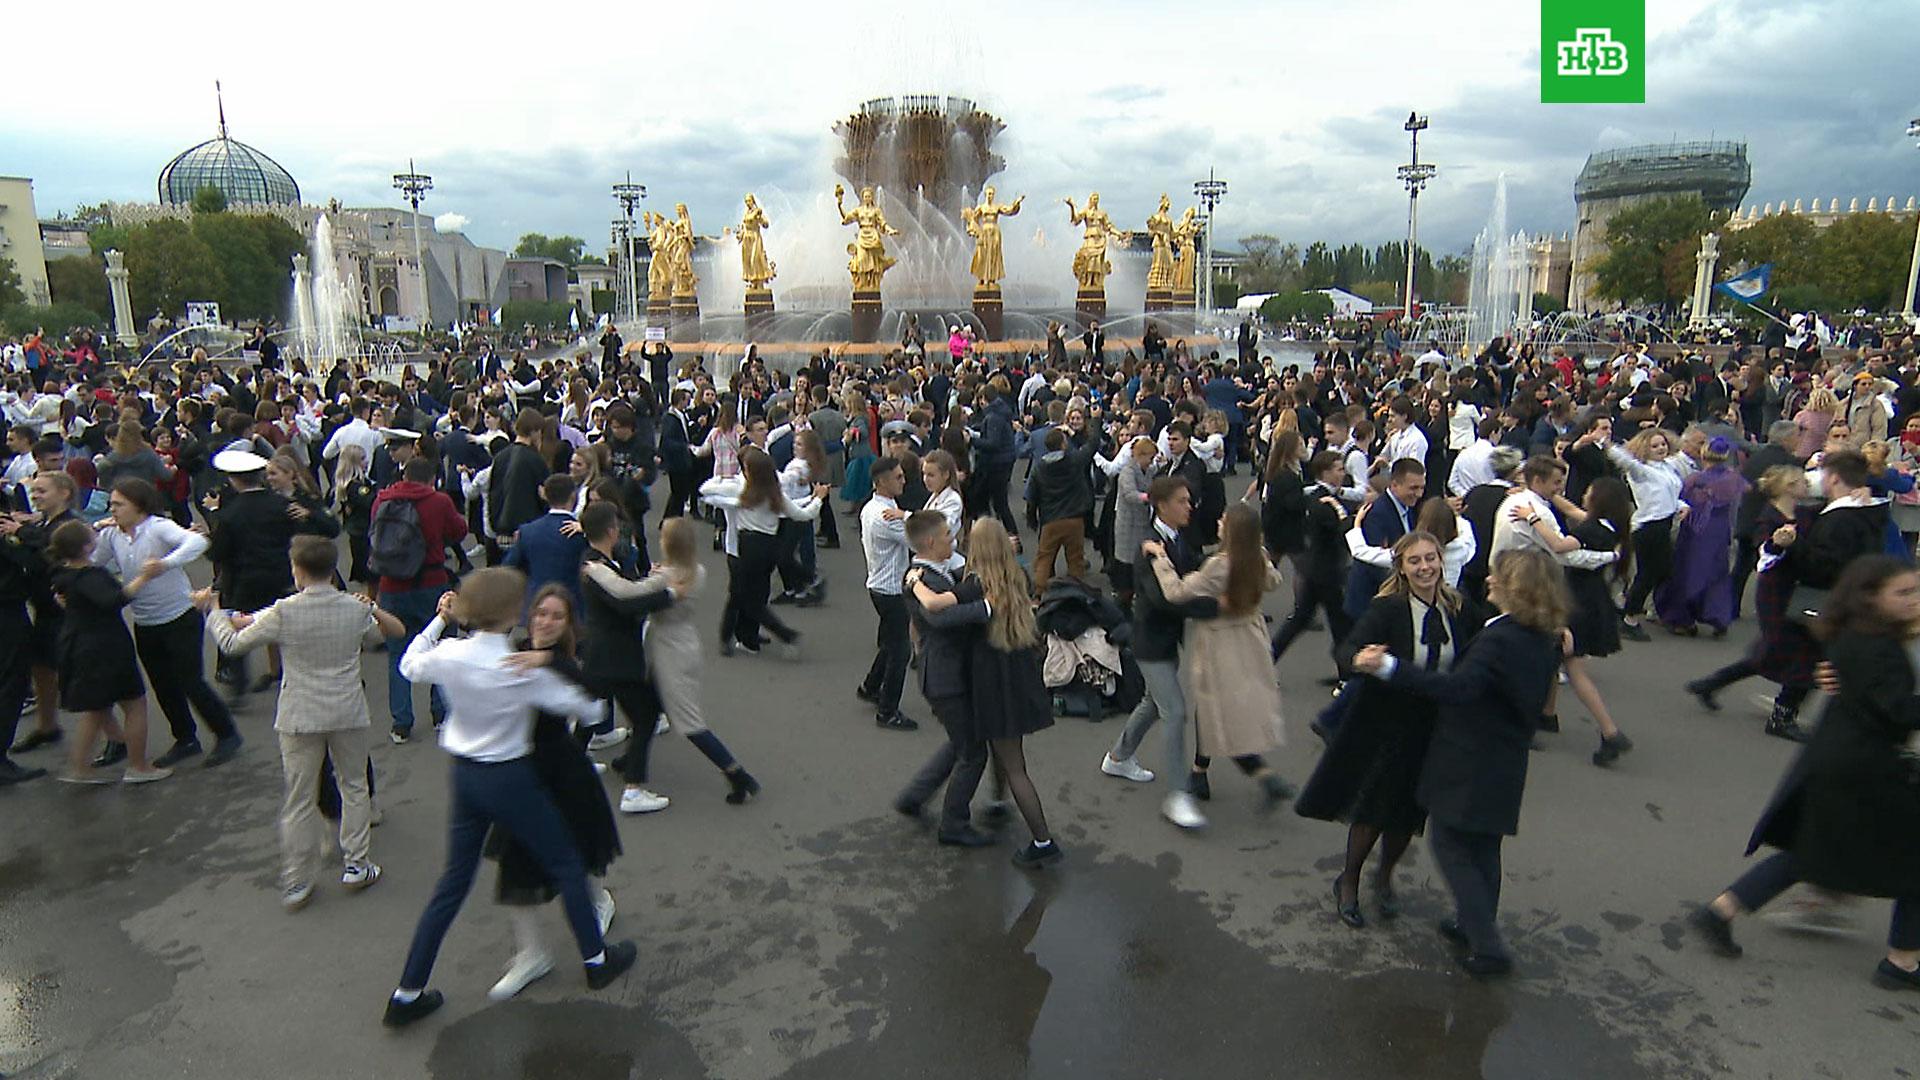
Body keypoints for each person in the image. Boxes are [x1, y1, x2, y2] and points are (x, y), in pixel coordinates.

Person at [383, 568, 637, 1028]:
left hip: (464, 776)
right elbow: (591, 709)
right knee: (564, 863)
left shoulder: (453, 654)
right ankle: (596, 960)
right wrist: (551, 668)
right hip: (511, 776)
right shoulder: (517, 668)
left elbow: (410, 664)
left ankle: (407, 990)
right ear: (511, 613)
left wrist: (439, 622)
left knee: (453, 882)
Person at [1689, 555, 1920, 994]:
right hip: (1868, 768)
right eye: (1903, 592)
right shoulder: (1877, 646)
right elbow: (1899, 709)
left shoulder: (1859, 635)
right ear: (1872, 597)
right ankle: (1902, 961)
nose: (1913, 600)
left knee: (1809, 850)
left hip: (1842, 760)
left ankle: (1721, 910)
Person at [1347, 548, 1571, 976]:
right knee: (1485, 848)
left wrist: (1390, 667)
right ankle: (1472, 922)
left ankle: (1487, 946)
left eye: (1497, 577)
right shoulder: (1542, 635)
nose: (1489, 582)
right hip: (1506, 759)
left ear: (1515, 589)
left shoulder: (1500, 638)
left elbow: (1457, 688)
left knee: (1450, 846)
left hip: (1470, 759)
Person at [1297, 531, 1490, 928]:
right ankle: (1348, 880)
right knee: (1373, 808)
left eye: (1430, 559)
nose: (1425, 568)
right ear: (1401, 567)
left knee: (1408, 813)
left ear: (1441, 560)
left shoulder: (1459, 607)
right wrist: (1360, 658)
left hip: (1436, 726)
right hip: (1387, 724)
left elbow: (1487, 641)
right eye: (1415, 561)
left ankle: (1384, 878)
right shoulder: (1387, 609)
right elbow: (1345, 650)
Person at [199, 536, 404, 909]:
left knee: (299, 798)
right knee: (354, 785)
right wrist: (371, 607)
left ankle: (297, 881)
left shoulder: (284, 611)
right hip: (347, 709)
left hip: (299, 713)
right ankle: (357, 864)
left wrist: (213, 612)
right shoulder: (352, 608)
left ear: (297, 569)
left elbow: (232, 644)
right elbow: (382, 633)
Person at [1688, 450, 1890, 742]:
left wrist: (1795, 546)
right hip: (1800, 595)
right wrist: (1788, 545)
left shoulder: (1830, 514)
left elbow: (1822, 557)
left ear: (1833, 478)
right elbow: (1807, 560)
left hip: (1808, 594)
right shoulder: (1829, 513)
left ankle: (1714, 685)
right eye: (1802, 482)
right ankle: (1781, 715)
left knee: (1781, 652)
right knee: (1802, 657)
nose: (1812, 483)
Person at [483, 585, 621, 1001]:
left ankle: (600, 904)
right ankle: (532, 953)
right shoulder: (514, 650)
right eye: (541, 613)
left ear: (567, 624)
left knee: (584, 849)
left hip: (563, 771)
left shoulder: (567, 660)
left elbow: (595, 689)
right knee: (514, 862)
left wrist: (550, 659)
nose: (545, 621)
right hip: (521, 775)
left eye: (556, 616)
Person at [909, 517, 1064, 868]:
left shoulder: (975, 586)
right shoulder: (1017, 576)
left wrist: (915, 582)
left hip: (993, 682)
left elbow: (935, 607)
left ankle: (1043, 841)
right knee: (1002, 747)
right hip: (1019, 673)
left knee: (1014, 766)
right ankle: (997, 801)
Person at [584, 517, 761, 805]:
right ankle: (630, 759)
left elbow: (625, 592)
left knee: (688, 721)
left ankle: (737, 774)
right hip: (681, 644)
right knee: (650, 708)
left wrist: (597, 572)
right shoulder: (695, 571)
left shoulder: (667, 577)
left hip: (668, 651)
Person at [1140, 503, 1294, 809]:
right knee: (1223, 706)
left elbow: (1176, 592)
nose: (1219, 521)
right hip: (1250, 637)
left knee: (1215, 709)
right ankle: (1202, 771)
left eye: (1225, 519)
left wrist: (1160, 560)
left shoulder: (1220, 565)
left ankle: (1258, 773)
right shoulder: (1257, 559)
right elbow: (1274, 582)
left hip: (1219, 641)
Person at [95, 478, 245, 769]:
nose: (112, 509)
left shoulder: (157, 527)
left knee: (191, 680)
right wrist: (91, 532)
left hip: (179, 616)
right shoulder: (112, 535)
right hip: (145, 621)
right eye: (112, 503)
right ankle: (185, 738)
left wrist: (165, 564)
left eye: (118, 504)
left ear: (138, 505)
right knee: (162, 684)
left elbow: (197, 542)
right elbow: (92, 560)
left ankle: (227, 734)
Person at [1100, 476, 1220, 829]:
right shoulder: (1149, 547)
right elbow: (1165, 599)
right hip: (1150, 643)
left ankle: (1119, 756)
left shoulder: (1178, 537)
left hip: (1164, 642)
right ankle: (1178, 795)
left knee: (1153, 703)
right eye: (1182, 501)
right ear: (1162, 504)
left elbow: (1194, 567)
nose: (1189, 506)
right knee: (1176, 711)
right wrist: (1216, 607)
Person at [895, 510, 995, 845]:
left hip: (946, 676)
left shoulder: (935, 571)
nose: (953, 539)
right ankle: (954, 824)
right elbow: (942, 619)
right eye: (948, 535)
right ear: (930, 541)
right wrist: (988, 608)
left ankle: (914, 797)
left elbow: (964, 582)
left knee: (959, 742)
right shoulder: (920, 578)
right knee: (973, 752)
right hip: (944, 679)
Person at [45, 519, 171, 784]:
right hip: (105, 646)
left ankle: (80, 767)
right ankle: (138, 766)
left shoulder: (61, 574)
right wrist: (145, 577)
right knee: (134, 703)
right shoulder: (91, 576)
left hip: (76, 643)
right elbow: (116, 600)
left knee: (97, 708)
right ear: (87, 546)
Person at [576, 501, 681, 815]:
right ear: (611, 530)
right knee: (646, 716)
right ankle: (633, 789)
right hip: (617, 655)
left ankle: (567, 768)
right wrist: (670, 594)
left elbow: (625, 590)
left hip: (601, 653)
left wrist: (650, 578)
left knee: (590, 712)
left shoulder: (597, 561)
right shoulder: (598, 567)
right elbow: (625, 603)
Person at [372, 456, 467, 743]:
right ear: (431, 478)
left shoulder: (382, 500)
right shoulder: (438, 501)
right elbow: (458, 531)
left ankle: (401, 723)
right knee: (440, 646)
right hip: (432, 583)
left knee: (397, 654)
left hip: (391, 586)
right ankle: (440, 714)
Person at [700, 446, 824, 658]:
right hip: (768, 547)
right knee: (754, 596)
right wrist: (818, 498)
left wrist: (721, 479)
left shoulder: (742, 490)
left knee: (744, 599)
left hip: (746, 548)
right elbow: (800, 514)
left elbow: (706, 491)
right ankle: (749, 636)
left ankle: (780, 634)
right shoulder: (775, 494)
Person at [1656, 436, 1750, 636]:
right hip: (1719, 529)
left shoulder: (1694, 479)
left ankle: (1683, 619)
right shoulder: (1734, 478)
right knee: (1717, 573)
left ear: (1704, 454)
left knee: (1687, 571)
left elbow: (1678, 499)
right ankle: (1718, 616)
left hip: (1694, 530)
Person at [1608, 428, 1687, 641]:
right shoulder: (1641, 471)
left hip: (1664, 523)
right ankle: (1629, 618)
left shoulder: (1668, 468)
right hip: (1649, 527)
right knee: (1650, 573)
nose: (1661, 448)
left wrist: (1681, 504)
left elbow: (1668, 493)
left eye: (1662, 444)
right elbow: (1627, 462)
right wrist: (1608, 445)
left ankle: (1626, 602)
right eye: (1654, 446)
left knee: (1662, 571)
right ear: (1645, 449)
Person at [857, 456, 916, 730]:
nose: (904, 481)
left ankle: (870, 685)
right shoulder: (886, 517)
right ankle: (887, 710)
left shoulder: (875, 506)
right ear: (882, 482)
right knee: (900, 651)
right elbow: (920, 538)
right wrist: (910, 517)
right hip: (890, 588)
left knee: (890, 642)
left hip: (880, 585)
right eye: (898, 477)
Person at [502, 474, 588, 606]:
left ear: (546, 496)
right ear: (573, 496)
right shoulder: (583, 533)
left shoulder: (527, 531)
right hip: (572, 605)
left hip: (537, 604)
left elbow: (509, 566)